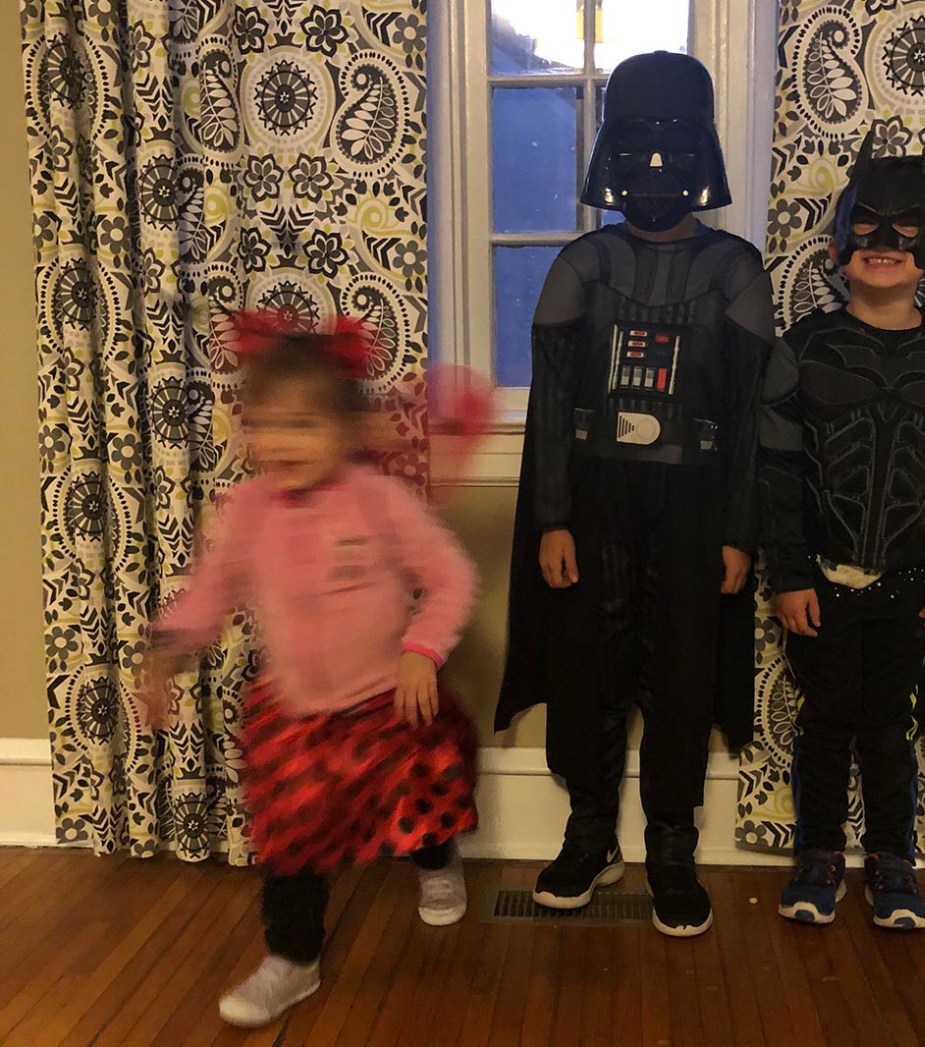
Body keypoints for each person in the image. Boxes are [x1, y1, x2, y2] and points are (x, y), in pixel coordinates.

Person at [495, 51, 776, 937]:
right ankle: (590, 832)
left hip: (696, 504)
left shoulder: (735, 268)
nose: (655, 167)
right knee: (589, 665)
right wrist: (551, 518)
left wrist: (739, 531)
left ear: (703, 152)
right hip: (593, 501)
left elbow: (749, 416)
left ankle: (670, 844)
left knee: (683, 670)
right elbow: (551, 407)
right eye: (637, 145)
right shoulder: (583, 263)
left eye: (675, 145)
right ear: (610, 151)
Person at [138, 314, 478, 1027]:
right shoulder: (246, 510)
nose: (282, 442)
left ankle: (437, 861)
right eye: (266, 424)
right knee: (289, 836)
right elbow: (210, 592)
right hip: (298, 711)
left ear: (346, 429)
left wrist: (422, 649)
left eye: (304, 424)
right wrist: (166, 651)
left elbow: (451, 578)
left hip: (387, 700)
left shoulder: (378, 499)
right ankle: (291, 958)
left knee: (421, 798)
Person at [759, 128, 925, 930]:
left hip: (912, 586)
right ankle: (819, 852)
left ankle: (893, 857)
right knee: (826, 721)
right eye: (866, 223)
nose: (886, 240)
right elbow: (777, 474)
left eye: (908, 227)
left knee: (889, 728)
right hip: (823, 583)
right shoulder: (803, 350)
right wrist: (789, 574)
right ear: (837, 245)